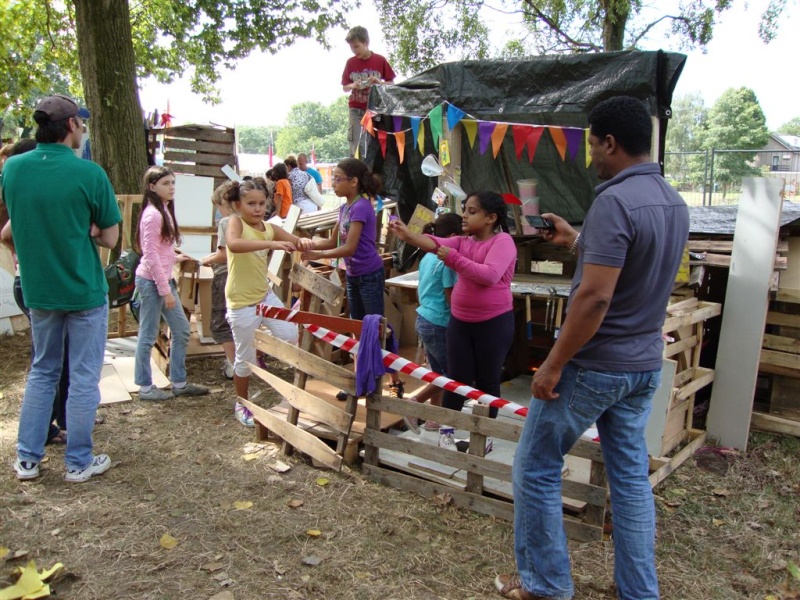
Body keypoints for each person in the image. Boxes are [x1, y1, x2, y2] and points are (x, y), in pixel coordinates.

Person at [494, 96, 690, 600]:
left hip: (594, 365)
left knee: (535, 467)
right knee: (629, 481)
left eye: (593, 145)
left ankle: (545, 587)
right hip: (642, 365)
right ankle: (639, 592)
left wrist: (553, 364)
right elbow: (633, 263)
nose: (592, 159)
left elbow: (597, 295)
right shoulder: (672, 200)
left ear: (610, 142)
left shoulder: (615, 200)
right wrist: (577, 240)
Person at [1, 94, 121, 483]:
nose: (83, 129)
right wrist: (88, 228)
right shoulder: (90, 173)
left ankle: (27, 460)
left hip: (38, 290)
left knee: (42, 371)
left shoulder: (14, 168)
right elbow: (111, 237)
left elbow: (15, 225)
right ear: (71, 126)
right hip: (84, 290)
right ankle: (78, 462)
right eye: (81, 123)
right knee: (83, 376)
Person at [389, 191, 516, 450]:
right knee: (456, 379)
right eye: (465, 210)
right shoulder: (464, 241)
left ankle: (484, 437)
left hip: (493, 323)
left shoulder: (503, 242)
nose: (465, 216)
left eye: (472, 211)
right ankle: (447, 432)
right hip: (460, 322)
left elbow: (489, 275)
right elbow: (434, 243)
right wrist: (408, 235)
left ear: (491, 218)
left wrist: (453, 258)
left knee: (488, 380)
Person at [302, 158, 404, 399]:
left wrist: (318, 253)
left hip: (369, 274)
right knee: (357, 329)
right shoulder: (344, 208)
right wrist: (303, 244)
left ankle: (394, 381)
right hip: (353, 275)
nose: (333, 184)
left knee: (377, 329)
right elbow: (331, 242)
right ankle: (360, 382)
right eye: (333, 179)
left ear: (354, 182)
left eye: (338, 179)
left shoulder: (361, 207)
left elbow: (348, 248)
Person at [224, 179, 311, 427]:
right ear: (238, 205)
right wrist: (271, 244)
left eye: (262, 203)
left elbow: (294, 239)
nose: (257, 209)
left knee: (290, 333)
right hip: (241, 303)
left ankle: (260, 349)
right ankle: (242, 403)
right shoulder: (235, 223)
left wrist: (304, 243)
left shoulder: (268, 227)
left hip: (264, 296)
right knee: (244, 360)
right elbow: (234, 244)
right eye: (251, 204)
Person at [4, 138, 68, 446]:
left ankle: (53, 424)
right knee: (46, 363)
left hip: (34, 282)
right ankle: (42, 431)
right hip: (33, 283)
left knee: (52, 358)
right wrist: (29, 260)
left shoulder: (30, 193)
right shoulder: (30, 197)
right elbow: (6, 234)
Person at [134, 166, 210, 401]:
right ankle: (145, 388)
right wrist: (165, 290)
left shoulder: (163, 210)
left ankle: (179, 383)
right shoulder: (153, 215)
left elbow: (161, 250)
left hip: (163, 280)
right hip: (152, 283)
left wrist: (175, 258)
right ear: (152, 187)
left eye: (173, 183)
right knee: (148, 335)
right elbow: (150, 255)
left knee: (181, 330)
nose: (171, 187)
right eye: (166, 183)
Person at [402, 212, 462, 434]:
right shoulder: (447, 260)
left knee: (436, 373)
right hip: (440, 322)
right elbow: (451, 297)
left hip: (424, 318)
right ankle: (415, 402)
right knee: (450, 376)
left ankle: (433, 419)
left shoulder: (427, 256)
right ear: (454, 236)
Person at [200, 181, 236, 380]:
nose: (218, 212)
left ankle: (233, 363)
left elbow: (224, 255)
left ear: (225, 203)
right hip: (241, 277)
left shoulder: (227, 222)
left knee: (221, 321)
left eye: (218, 207)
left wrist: (205, 260)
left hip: (225, 276)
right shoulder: (248, 220)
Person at [341, 26, 396, 157]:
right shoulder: (350, 62)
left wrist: (379, 83)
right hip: (356, 108)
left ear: (366, 43)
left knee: (375, 142)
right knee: (356, 142)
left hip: (374, 108)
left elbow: (391, 83)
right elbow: (344, 87)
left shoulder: (380, 60)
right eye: (351, 48)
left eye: (356, 46)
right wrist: (353, 85)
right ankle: (355, 170)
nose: (354, 51)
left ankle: (374, 172)